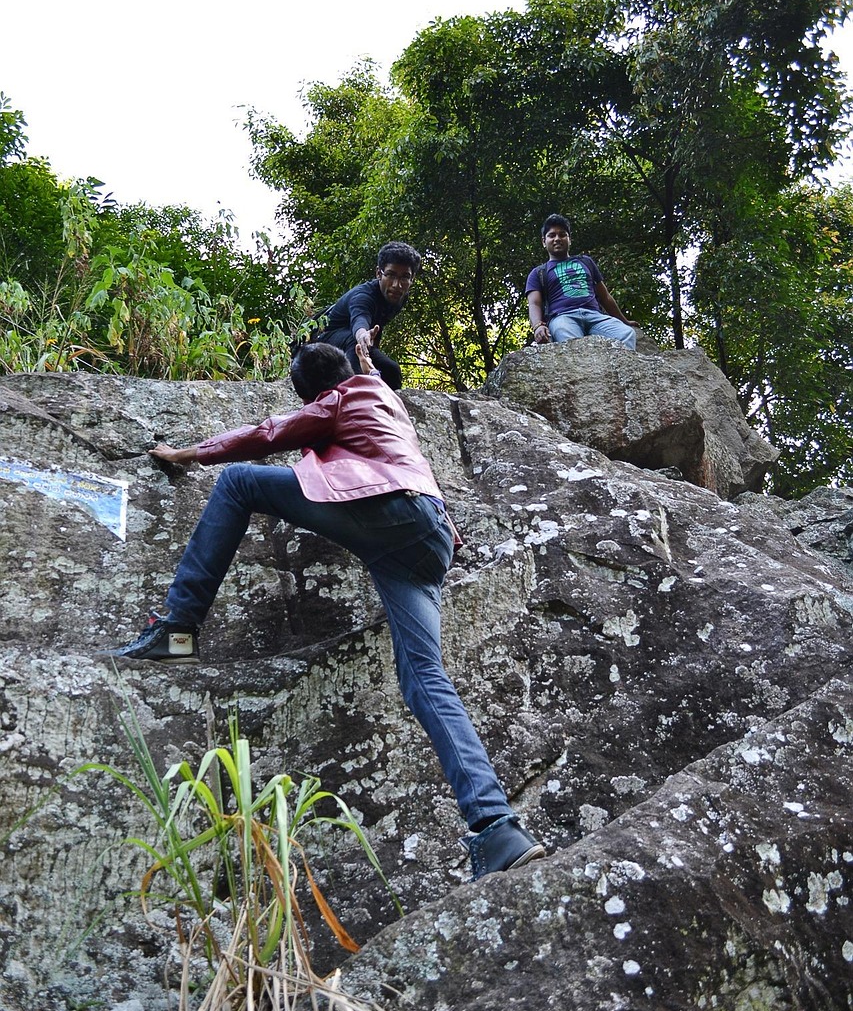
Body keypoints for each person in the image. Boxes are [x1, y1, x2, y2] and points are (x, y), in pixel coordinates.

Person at [100, 338, 544, 881]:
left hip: (389, 510)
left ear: (313, 394)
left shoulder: (341, 397)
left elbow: (268, 435)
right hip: (426, 543)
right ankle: (496, 828)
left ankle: (179, 627)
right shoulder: (383, 395)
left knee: (239, 481)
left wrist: (189, 453)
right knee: (425, 678)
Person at [313, 241, 421, 390]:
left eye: (404, 278)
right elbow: (360, 318)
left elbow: (378, 325)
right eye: (390, 275)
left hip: (355, 342)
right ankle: (353, 393)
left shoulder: (399, 297)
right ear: (379, 273)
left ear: (412, 279)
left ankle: (389, 407)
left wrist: (371, 347)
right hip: (323, 343)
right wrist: (363, 335)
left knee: (391, 369)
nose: (397, 285)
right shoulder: (363, 296)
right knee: (355, 343)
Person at [526, 214, 637, 350]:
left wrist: (624, 321)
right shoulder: (538, 273)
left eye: (562, 235)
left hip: (594, 316)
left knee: (626, 334)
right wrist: (538, 326)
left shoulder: (586, 262)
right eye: (552, 235)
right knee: (570, 342)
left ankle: (619, 370)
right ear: (544, 241)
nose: (557, 239)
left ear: (569, 239)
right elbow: (534, 303)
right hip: (563, 317)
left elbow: (605, 297)